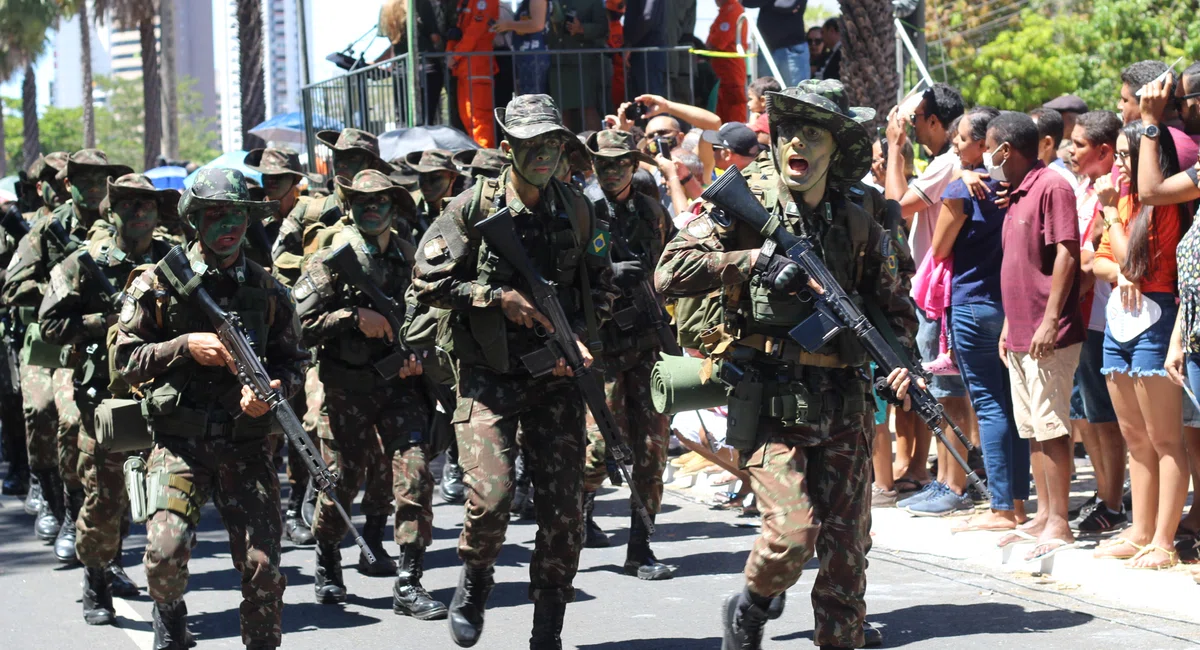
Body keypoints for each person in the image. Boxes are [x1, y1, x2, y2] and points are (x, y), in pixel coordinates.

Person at [656, 79, 916, 650]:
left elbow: (894, 307)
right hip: (768, 392)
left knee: (849, 547)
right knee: (792, 534)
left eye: (813, 132)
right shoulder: (741, 198)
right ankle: (750, 606)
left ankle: (840, 638)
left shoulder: (863, 215)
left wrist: (903, 366)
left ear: (836, 148)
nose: (797, 142)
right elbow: (668, 273)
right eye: (790, 128)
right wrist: (750, 260)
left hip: (843, 395)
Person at [411, 94, 615, 648]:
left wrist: (585, 343)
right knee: (492, 498)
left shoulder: (576, 207)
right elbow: (425, 282)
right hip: (487, 378)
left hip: (556, 379)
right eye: (532, 146)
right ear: (508, 150)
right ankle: (474, 581)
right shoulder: (471, 209)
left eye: (552, 144)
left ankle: (547, 628)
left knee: (563, 512)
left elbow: (598, 284)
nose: (544, 155)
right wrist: (493, 295)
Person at [113, 168, 307, 650]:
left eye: (238, 215)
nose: (229, 226)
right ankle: (170, 612)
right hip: (179, 442)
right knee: (164, 553)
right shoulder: (157, 284)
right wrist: (180, 346)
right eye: (217, 215)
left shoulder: (269, 290)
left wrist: (270, 395)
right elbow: (122, 361)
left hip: (245, 445)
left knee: (263, 566)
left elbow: (295, 362)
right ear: (195, 221)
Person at [293, 169, 449, 618]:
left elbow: (430, 320)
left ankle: (409, 580)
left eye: (381, 201)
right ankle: (327, 557)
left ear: (393, 208)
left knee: (416, 474)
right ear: (349, 208)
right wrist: (349, 317)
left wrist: (419, 356)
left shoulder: (409, 257)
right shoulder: (330, 260)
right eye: (363, 203)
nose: (373, 209)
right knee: (340, 482)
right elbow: (296, 327)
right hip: (346, 390)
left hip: (399, 389)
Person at [38, 173, 174, 624]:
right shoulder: (83, 263)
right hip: (107, 402)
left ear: (158, 213)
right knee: (105, 497)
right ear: (111, 211)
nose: (139, 213)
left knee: (166, 501)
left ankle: (167, 601)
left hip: (167, 398)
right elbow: (51, 326)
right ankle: (97, 577)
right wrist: (106, 320)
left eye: (147, 206)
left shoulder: (175, 262)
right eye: (129, 205)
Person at [2, 149, 132, 561]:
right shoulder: (46, 230)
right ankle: (53, 493)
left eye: (101, 181)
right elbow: (12, 290)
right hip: (57, 343)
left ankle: (95, 529)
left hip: (113, 348)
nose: (94, 189)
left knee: (100, 433)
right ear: (66, 185)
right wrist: (61, 288)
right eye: (85, 180)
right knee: (44, 412)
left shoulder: (123, 226)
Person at [1090, 122, 1190, 570]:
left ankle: (1164, 541)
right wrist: (1118, 270)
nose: (1121, 166)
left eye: (1129, 157)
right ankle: (1141, 530)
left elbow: (1132, 258)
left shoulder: (1161, 204)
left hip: (1158, 319)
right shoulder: (1123, 199)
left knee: (1165, 439)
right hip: (1120, 322)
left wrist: (1112, 220)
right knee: (1135, 438)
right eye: (1122, 157)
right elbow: (1099, 260)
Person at [989, 111, 1084, 563]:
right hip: (1021, 329)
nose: (987, 155)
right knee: (1033, 428)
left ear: (1005, 149)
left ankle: (1060, 521)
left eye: (990, 145)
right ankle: (1044, 514)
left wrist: (1049, 318)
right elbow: (1017, 265)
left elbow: (1068, 252)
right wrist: (1012, 322)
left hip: (1050, 332)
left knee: (1053, 426)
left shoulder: (1053, 185)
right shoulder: (1018, 192)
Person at [929, 106, 1030, 530]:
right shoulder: (1016, 186)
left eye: (963, 137)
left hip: (973, 305)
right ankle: (1020, 504)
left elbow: (937, 249)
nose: (955, 142)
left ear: (987, 143)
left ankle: (1002, 508)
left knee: (990, 407)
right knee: (1014, 408)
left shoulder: (961, 190)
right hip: (1011, 307)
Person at [578, 129, 674, 581]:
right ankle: (575, 512)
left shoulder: (651, 210)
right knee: (599, 450)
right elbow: (564, 273)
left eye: (619, 163)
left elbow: (671, 263)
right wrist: (606, 271)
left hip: (647, 346)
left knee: (652, 451)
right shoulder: (584, 211)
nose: (611, 170)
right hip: (603, 349)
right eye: (603, 163)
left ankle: (641, 549)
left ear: (634, 166)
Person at [885, 84, 969, 505]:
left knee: (947, 393)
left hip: (939, 292)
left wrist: (894, 146)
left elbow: (895, 205)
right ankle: (942, 477)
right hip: (933, 290)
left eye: (916, 121)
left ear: (935, 121)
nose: (912, 127)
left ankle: (953, 484)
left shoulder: (946, 163)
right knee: (939, 391)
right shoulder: (945, 161)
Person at [1065, 110, 1128, 534]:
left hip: (1106, 314)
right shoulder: (1086, 189)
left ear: (1104, 151)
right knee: (1088, 413)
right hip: (1086, 315)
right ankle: (1106, 492)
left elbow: (1095, 255)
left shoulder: (1117, 190)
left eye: (1080, 144)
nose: (1071, 150)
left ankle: (1114, 500)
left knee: (1106, 418)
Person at [551, 0, 609, 132]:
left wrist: (582, 28)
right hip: (556, 64)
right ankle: (566, 150)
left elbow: (603, 28)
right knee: (561, 111)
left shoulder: (593, 2)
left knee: (587, 108)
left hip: (583, 64)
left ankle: (596, 148)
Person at [448, 0, 500, 147]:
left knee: (480, 120)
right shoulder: (463, 3)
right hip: (464, 68)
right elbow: (457, 31)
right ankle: (477, 160)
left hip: (478, 68)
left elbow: (475, 30)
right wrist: (452, 54)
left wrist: (455, 55)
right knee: (467, 118)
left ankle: (485, 163)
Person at [743, 0, 809, 86]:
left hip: (792, 51)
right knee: (764, 95)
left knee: (795, 96)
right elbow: (747, 2)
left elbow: (787, 4)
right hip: (766, 50)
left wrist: (764, 3)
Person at [493, 0, 550, 96]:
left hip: (534, 58)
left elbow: (537, 24)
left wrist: (508, 25)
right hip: (525, 58)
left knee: (533, 101)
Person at [404, 149, 464, 236]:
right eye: (422, 174)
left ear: (453, 177)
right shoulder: (409, 205)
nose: (426, 182)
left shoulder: (464, 208)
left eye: (435, 175)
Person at [707, 0, 749, 124]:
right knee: (723, 114)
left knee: (734, 115)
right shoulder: (727, 10)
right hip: (723, 74)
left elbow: (717, 42)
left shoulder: (732, 10)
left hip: (730, 73)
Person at [624, 0, 668, 96]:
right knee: (642, 102)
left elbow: (647, 17)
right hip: (642, 53)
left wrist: (630, 44)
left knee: (652, 101)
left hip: (648, 54)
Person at [1030, 107, 1080, 191]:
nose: (1022, 143)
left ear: (1047, 143)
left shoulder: (1061, 181)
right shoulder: (1031, 173)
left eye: (1029, 137)